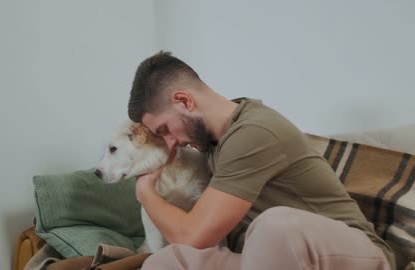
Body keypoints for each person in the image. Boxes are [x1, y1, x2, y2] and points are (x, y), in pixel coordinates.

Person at [127, 51, 395, 270]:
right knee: (167, 262)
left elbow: (192, 236)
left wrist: (145, 191)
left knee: (273, 226)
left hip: (352, 255)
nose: (171, 142)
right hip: (272, 258)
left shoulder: (254, 132)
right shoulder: (214, 142)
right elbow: (188, 245)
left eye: (165, 130)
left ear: (184, 101)